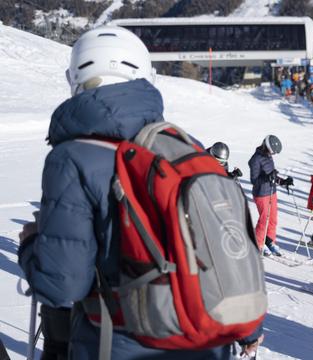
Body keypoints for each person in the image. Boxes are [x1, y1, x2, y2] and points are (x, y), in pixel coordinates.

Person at [17, 26, 264, 359]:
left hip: (120, 344)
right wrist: (248, 328)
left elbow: (61, 286)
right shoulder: (186, 147)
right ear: (148, 77)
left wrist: (31, 244)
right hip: (208, 342)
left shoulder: (72, 157)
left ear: (74, 78)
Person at [249, 134, 293, 257]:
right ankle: (258, 244)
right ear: (265, 146)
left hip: (271, 192)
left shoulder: (268, 157)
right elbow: (254, 180)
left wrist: (283, 181)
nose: (272, 154)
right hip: (261, 194)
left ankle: (269, 241)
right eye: (271, 152)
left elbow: (272, 176)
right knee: (264, 220)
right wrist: (267, 177)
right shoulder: (255, 159)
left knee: (273, 219)